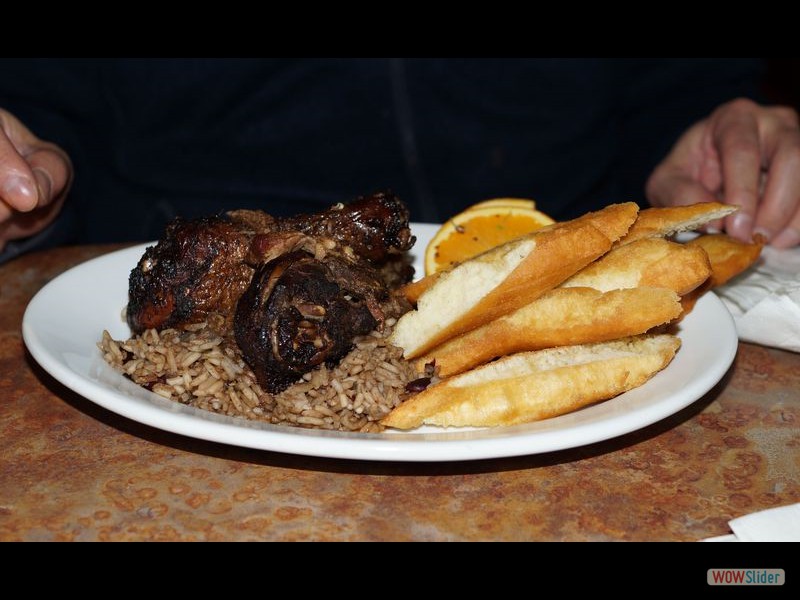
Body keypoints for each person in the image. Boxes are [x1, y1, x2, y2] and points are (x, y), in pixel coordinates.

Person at [1, 58, 799, 264]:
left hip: (561, 254)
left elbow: (678, 85)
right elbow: (48, 107)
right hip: (167, 267)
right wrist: (24, 184)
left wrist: (696, 146)